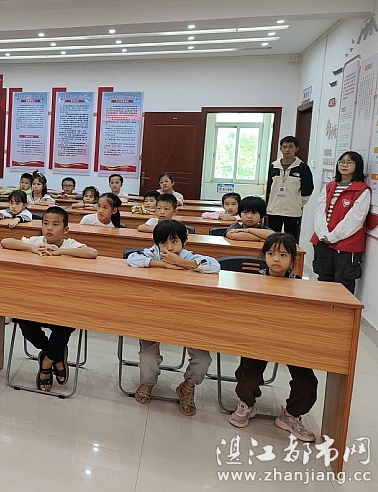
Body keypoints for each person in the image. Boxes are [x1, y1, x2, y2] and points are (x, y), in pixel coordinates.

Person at [229, 233, 318, 442]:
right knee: (247, 378)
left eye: (283, 255)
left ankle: (291, 415)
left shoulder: (301, 286)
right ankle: (247, 405)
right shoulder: (252, 280)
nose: (276, 259)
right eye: (271, 254)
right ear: (264, 256)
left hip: (291, 340)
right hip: (258, 337)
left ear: (293, 260)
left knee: (308, 383)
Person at [127, 220, 220, 415]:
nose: (169, 247)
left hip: (188, 317)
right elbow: (132, 258)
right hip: (154, 314)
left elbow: (215, 266)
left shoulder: (190, 257)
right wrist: (162, 264)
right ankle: (147, 383)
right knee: (147, 356)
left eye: (174, 242)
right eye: (163, 243)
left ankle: (187, 387)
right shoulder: (152, 253)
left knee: (203, 359)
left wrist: (181, 263)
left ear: (184, 241)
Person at [1, 207, 98, 391]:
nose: (49, 228)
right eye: (45, 223)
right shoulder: (36, 241)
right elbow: (5, 241)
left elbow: (92, 253)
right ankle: (56, 356)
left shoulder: (69, 244)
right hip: (35, 302)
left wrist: (59, 252)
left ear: (65, 229)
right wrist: (32, 248)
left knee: (67, 323)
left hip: (62, 304)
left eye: (55, 224)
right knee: (23, 322)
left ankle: (46, 363)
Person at [310, 151, 370, 294]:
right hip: (323, 241)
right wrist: (323, 234)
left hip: (347, 245)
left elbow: (355, 219)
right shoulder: (330, 186)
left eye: (349, 162)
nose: (344, 165)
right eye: (342, 162)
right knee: (324, 279)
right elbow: (319, 212)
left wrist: (333, 236)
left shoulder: (362, 190)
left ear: (357, 165)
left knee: (343, 283)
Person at [265, 136, 314, 240]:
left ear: (296, 149)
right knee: (272, 238)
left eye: (291, 147)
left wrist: (297, 202)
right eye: (285, 147)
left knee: (291, 239)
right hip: (274, 209)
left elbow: (307, 190)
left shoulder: (303, 167)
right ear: (280, 148)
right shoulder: (273, 166)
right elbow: (269, 188)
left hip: (293, 211)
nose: (287, 150)